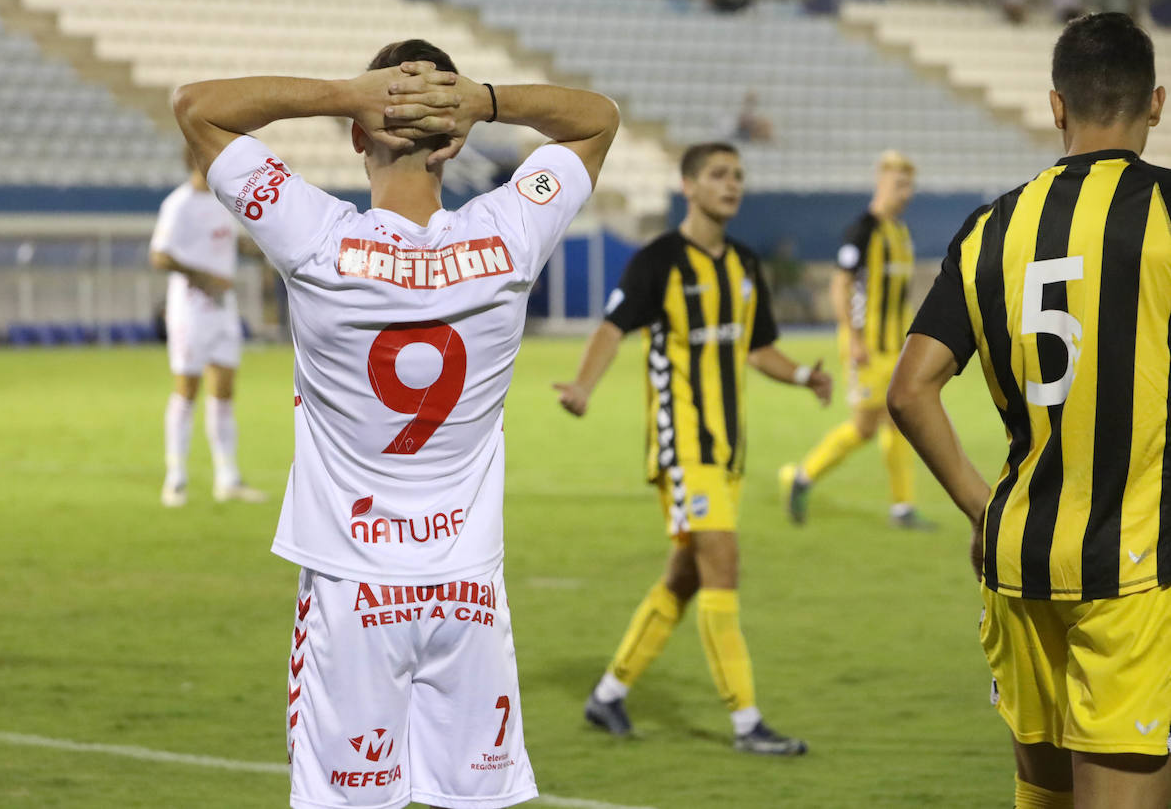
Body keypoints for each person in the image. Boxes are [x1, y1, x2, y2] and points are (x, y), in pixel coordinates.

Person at [173, 40, 619, 809]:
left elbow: (196, 107)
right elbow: (597, 121)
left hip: (354, 589)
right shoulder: (509, 236)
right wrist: (483, 99)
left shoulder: (314, 236)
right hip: (468, 589)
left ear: (357, 133)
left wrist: (344, 92)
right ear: (456, 139)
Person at [888, 12, 1171, 809]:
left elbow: (909, 390)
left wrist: (983, 511)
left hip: (1018, 562)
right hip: (1134, 568)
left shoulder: (990, 228)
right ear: (1155, 103)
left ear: (1056, 107)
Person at [553, 142, 831, 756]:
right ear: (688, 186)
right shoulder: (658, 262)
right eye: (718, 175)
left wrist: (801, 376)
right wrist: (583, 385)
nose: (732, 184)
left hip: (729, 453)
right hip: (683, 450)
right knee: (722, 563)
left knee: (684, 578)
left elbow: (758, 348)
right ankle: (746, 721)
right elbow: (611, 327)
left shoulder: (745, 264)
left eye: (738, 174)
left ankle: (608, 694)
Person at [780, 150, 924, 528]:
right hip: (867, 347)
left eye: (909, 185)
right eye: (899, 184)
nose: (906, 193)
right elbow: (840, 283)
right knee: (864, 426)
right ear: (881, 184)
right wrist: (854, 337)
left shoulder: (901, 232)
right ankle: (802, 476)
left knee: (898, 421)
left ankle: (902, 507)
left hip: (895, 346)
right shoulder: (863, 230)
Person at [149, 154, 267, 508]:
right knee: (186, 390)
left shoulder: (223, 202)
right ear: (194, 160)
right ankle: (176, 478)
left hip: (223, 311)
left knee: (225, 392)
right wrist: (204, 278)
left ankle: (227, 477)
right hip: (190, 311)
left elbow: (227, 243)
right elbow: (160, 256)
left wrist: (258, 249)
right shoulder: (178, 204)